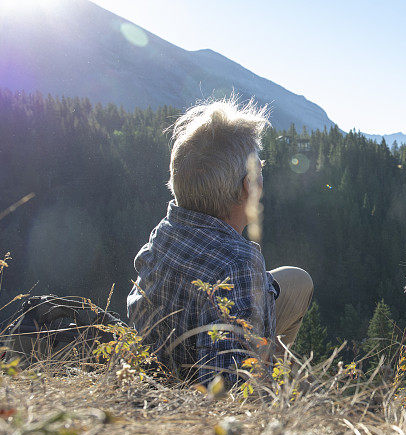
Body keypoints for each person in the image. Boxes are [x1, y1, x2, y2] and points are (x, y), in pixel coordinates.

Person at [127, 98, 313, 385]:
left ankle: (268, 359)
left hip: (155, 363)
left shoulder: (165, 228)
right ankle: (275, 386)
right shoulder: (239, 265)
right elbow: (226, 391)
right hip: (192, 396)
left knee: (296, 280)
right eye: (259, 171)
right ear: (246, 187)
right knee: (292, 290)